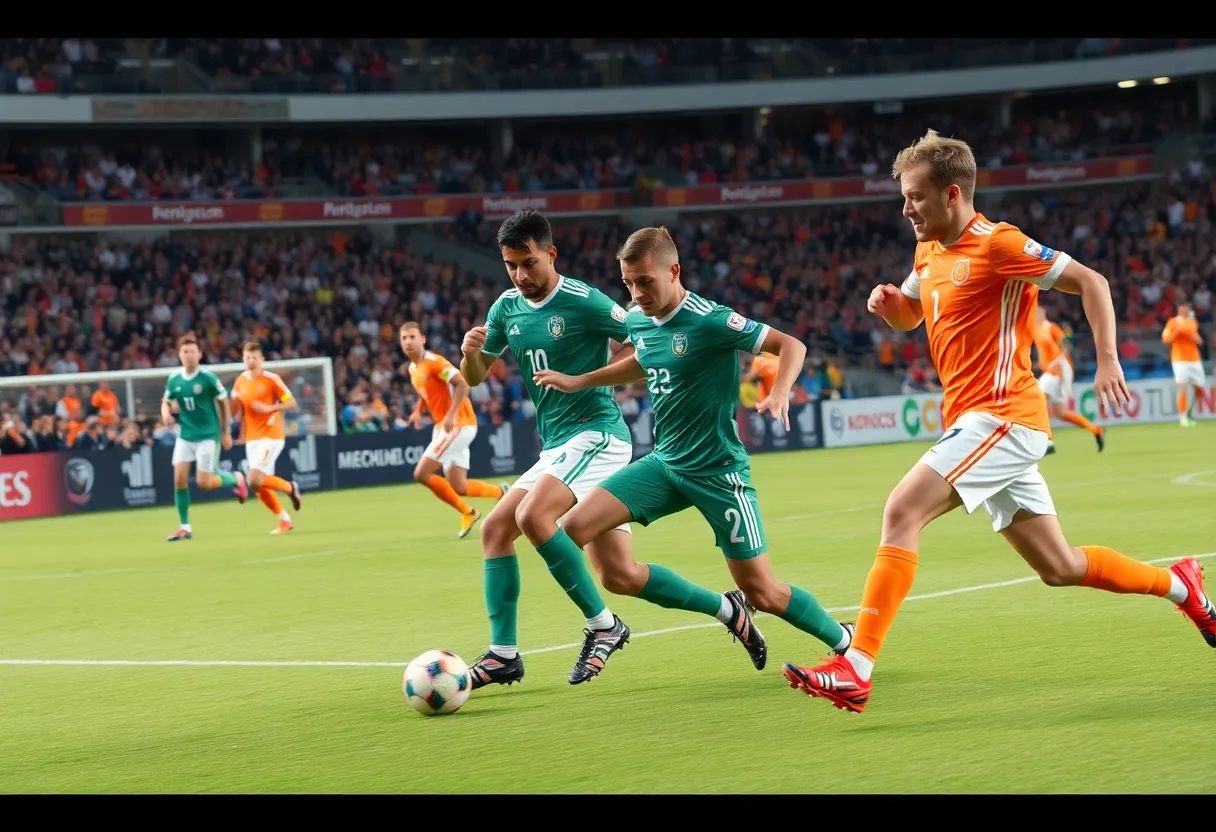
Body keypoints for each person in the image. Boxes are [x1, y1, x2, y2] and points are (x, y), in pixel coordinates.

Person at [781, 129, 1216, 714]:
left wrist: (1107, 359)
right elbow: (913, 315)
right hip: (975, 421)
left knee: (902, 510)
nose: (905, 208)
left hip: (1005, 415)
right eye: (904, 197)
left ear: (952, 193)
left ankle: (856, 665)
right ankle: (1182, 585)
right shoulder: (928, 249)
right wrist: (890, 308)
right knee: (1059, 567)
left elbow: (1093, 281)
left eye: (915, 197)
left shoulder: (998, 245)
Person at [532, 226, 855, 674]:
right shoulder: (640, 319)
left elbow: (791, 345)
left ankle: (846, 641)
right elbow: (641, 361)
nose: (636, 292)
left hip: (718, 473)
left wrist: (781, 392)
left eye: (644, 281)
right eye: (628, 282)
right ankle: (648, 620)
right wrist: (582, 380)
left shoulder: (710, 319)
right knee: (576, 531)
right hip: (665, 464)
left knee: (763, 592)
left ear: (674, 271)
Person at [459, 209, 637, 687]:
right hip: (557, 445)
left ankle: (605, 626)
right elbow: (474, 378)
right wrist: (470, 352)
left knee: (533, 518)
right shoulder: (505, 307)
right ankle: (503, 655)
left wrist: (586, 380)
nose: (521, 275)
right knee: (494, 530)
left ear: (551, 254)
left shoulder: (585, 301)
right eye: (511, 265)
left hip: (598, 433)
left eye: (529, 263)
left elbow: (645, 348)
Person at [400, 321, 506, 539]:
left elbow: (463, 384)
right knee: (459, 485)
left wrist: (450, 415)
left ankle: (468, 512)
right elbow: (425, 392)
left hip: (458, 424)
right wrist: (419, 411)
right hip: (446, 426)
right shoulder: (413, 368)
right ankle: (502, 492)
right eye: (404, 338)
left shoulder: (434, 362)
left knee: (421, 473)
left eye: (412, 337)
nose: (408, 342)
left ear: (423, 339)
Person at [162, 332, 248, 542]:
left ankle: (235, 478)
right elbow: (166, 401)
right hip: (185, 435)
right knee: (179, 479)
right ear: (179, 355)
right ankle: (184, 526)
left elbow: (223, 402)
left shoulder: (208, 378)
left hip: (208, 436)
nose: (188, 355)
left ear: (200, 355)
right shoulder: (174, 379)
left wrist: (225, 431)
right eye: (185, 351)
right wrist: (165, 413)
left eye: (192, 351)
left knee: (205, 483)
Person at [230, 340, 303, 534]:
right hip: (252, 439)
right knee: (259, 484)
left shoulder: (271, 379)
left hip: (271, 435)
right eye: (247, 357)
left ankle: (290, 487)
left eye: (254, 357)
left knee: (253, 478)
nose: (251, 361)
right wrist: (231, 402)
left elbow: (291, 402)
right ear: (243, 359)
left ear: (262, 359)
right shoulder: (240, 382)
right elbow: (233, 413)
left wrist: (270, 408)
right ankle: (285, 521)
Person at [1033, 304, 1104, 453]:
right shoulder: (1036, 330)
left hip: (1058, 370)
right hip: (1050, 371)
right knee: (1061, 414)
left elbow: (1065, 346)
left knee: (1039, 397)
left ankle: (1048, 441)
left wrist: (1060, 366)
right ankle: (1096, 430)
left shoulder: (1051, 328)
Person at [1161, 304, 1206, 427]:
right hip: (1179, 359)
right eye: (1183, 307)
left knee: (1200, 389)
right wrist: (1177, 331)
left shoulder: (1192, 322)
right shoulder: (1172, 322)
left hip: (1194, 359)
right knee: (1183, 387)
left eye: (1187, 308)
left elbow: (1196, 337)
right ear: (1179, 310)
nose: (1186, 310)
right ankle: (1183, 417)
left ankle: (1190, 412)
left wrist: (1185, 331)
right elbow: (1165, 338)